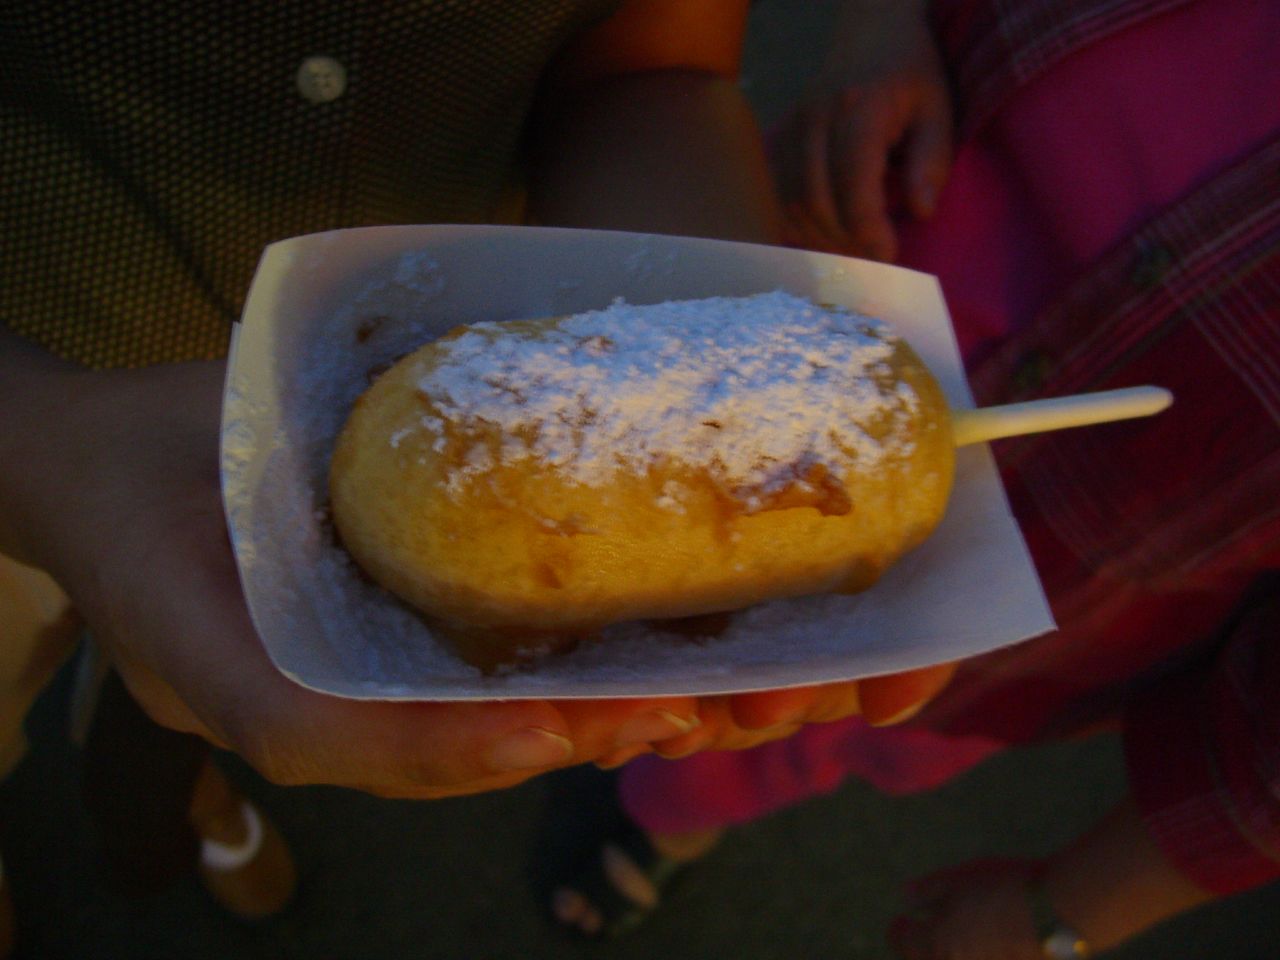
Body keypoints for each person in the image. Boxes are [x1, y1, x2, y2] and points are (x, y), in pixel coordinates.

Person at [0, 0, 953, 950]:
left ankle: (187, 801)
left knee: (185, 683)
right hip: (45, 344)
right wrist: (38, 442)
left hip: (448, 355)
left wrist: (695, 369)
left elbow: (650, 65)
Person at [548, 0, 1280, 954]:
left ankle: (667, 812)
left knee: (803, 723)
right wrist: (887, 16)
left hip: (1063, 573)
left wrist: (1071, 913)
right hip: (877, 212)